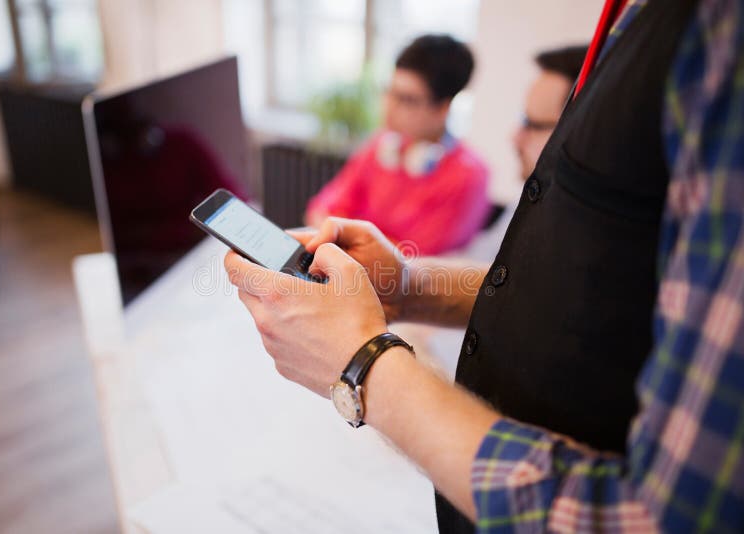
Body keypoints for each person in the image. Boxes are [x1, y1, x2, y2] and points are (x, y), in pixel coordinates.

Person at [224, 0, 743, 532]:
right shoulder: (638, 24)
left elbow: (660, 519)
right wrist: (405, 285)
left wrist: (361, 363)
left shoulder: (719, 37)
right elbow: (606, 287)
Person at [305, 34, 491, 256]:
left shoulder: (468, 177)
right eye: (389, 92)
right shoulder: (381, 146)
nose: (389, 108)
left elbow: (412, 264)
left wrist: (339, 233)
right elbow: (321, 210)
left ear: (443, 109)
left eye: (407, 99)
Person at [462, 45, 587, 263]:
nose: (515, 137)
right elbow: (478, 261)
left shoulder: (572, 237)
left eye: (532, 125)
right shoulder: (533, 197)